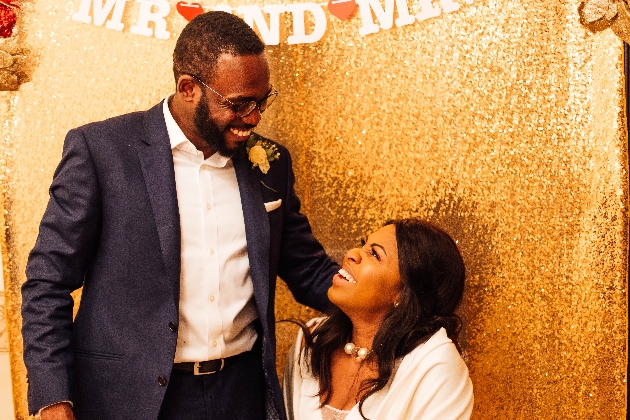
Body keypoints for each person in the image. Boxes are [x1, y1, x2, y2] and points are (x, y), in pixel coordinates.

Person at [21, 11, 339, 420]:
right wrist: (53, 398)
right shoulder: (101, 151)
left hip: (240, 394)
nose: (254, 118)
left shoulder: (270, 162)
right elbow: (48, 282)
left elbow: (306, 268)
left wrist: (390, 306)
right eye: (240, 104)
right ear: (188, 87)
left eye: (262, 102)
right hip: (129, 399)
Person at [283, 219, 474, 420]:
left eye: (374, 254)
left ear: (403, 294)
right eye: (362, 244)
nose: (351, 254)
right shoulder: (311, 341)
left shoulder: (435, 366)